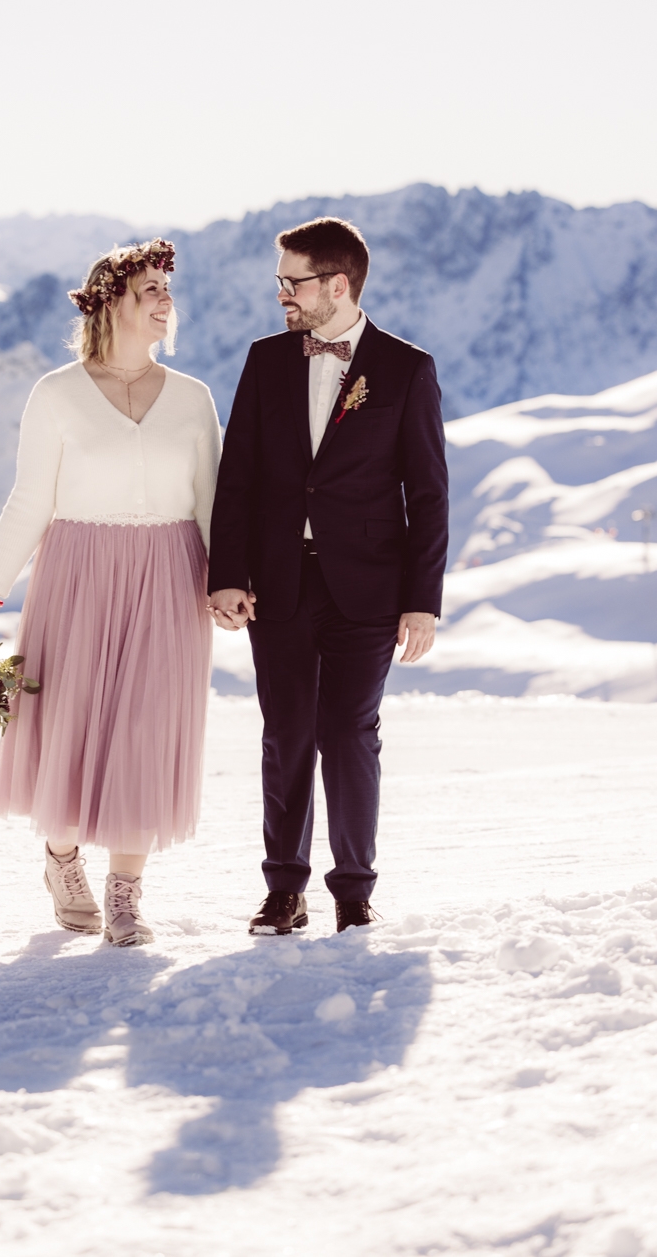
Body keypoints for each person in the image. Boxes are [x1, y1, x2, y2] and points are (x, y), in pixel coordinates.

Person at [0, 239, 221, 947]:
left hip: (170, 573)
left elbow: (212, 503)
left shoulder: (193, 399)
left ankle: (125, 893)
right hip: (76, 573)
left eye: (167, 288)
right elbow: (29, 502)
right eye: (149, 288)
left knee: (146, 729)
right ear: (110, 303)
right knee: (70, 726)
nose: (165, 299)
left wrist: (229, 583)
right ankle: (62, 858)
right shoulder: (57, 394)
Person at [207, 217, 448, 936]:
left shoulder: (406, 369)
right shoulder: (266, 360)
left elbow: (428, 494)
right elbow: (237, 476)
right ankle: (284, 889)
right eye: (280, 280)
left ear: (337, 285)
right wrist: (228, 573)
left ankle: (353, 890)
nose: (282, 293)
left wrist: (422, 601)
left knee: (347, 733)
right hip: (277, 582)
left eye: (294, 281)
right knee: (285, 734)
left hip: (368, 587)